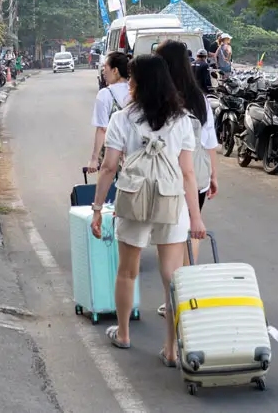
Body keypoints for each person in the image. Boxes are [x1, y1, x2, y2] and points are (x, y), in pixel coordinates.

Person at [90, 54, 207, 365]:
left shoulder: (122, 119)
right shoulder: (182, 119)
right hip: (172, 201)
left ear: (138, 82)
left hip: (133, 200)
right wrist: (195, 217)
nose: (129, 83)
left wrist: (97, 208)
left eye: (131, 78)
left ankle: (124, 334)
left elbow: (108, 167)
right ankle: (171, 350)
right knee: (172, 277)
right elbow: (188, 173)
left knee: (127, 272)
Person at [154, 40, 219, 317]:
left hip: (166, 175)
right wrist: (213, 175)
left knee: (171, 236)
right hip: (197, 173)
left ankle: (173, 298)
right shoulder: (199, 98)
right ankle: (186, 293)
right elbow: (209, 141)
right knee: (193, 229)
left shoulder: (156, 98)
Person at [87, 52, 130, 173]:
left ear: (115, 70)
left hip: (112, 156)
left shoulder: (105, 94)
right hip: (135, 155)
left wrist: (94, 159)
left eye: (105, 67)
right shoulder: (135, 91)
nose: (103, 71)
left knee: (109, 189)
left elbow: (102, 129)